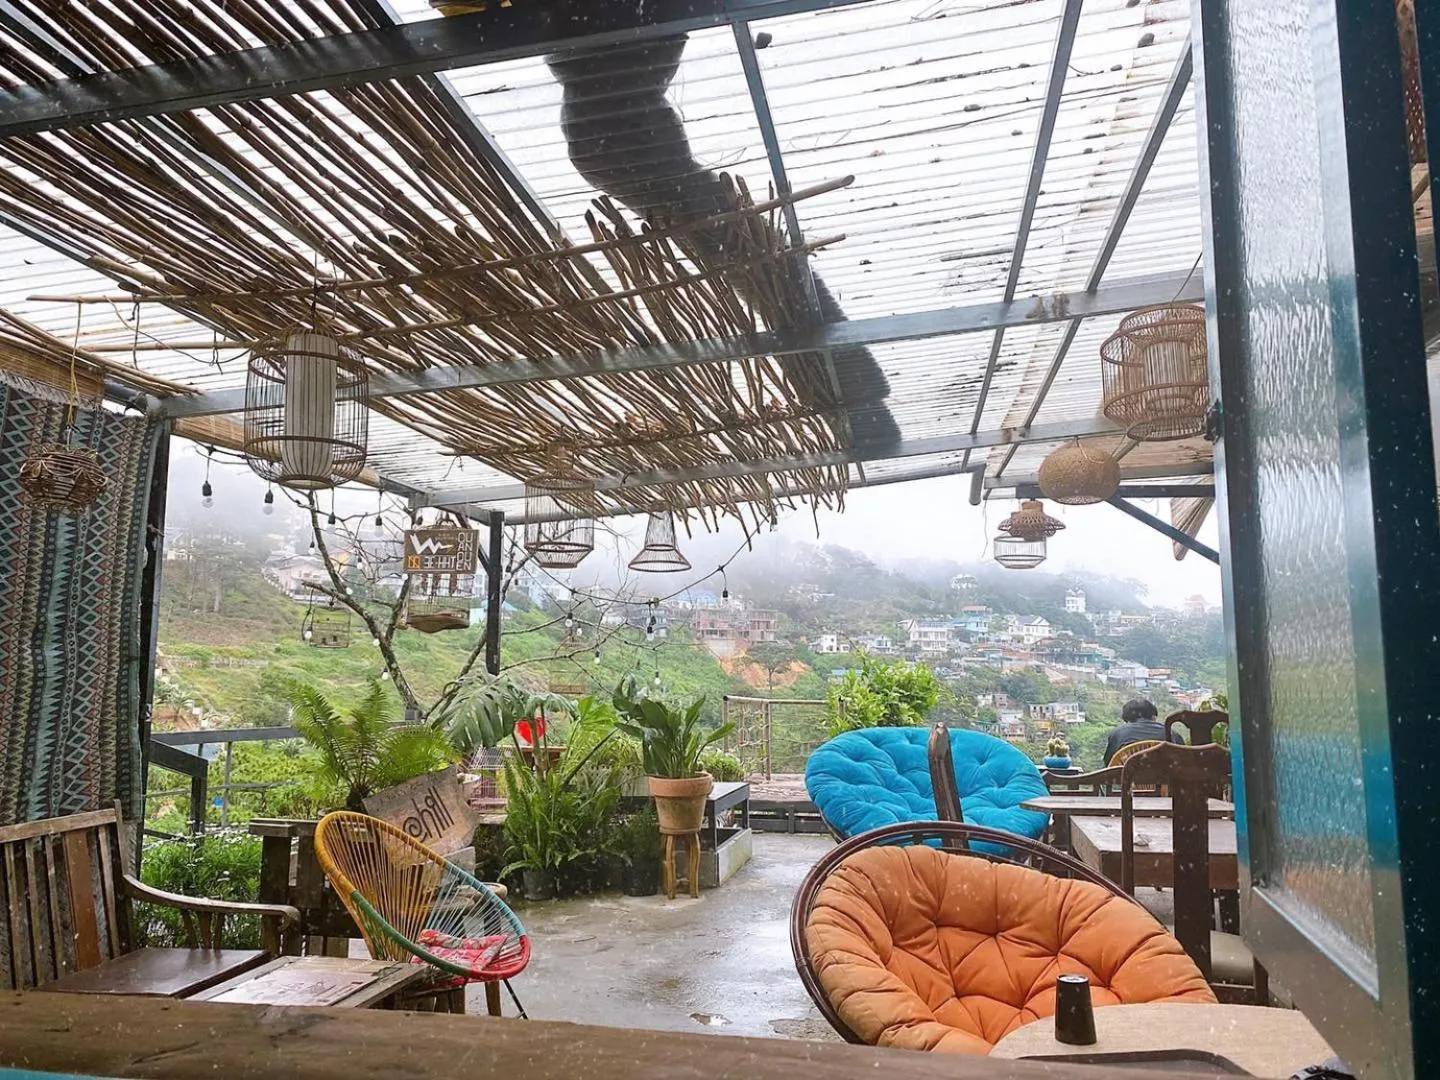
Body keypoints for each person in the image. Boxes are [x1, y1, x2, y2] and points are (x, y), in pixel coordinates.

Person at [1103, 699, 1183, 765]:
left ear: (1126, 720)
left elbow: (1109, 764)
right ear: (1153, 717)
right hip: (1167, 783)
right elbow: (1186, 762)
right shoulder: (1172, 734)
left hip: (1129, 782)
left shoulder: (1117, 734)